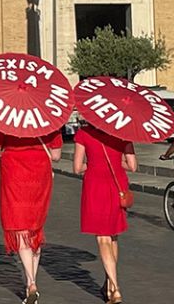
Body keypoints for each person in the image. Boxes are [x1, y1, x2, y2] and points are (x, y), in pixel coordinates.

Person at [0, 130, 62, 304]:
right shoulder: (48, 121)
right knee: (34, 227)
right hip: (40, 177)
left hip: (14, 176)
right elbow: (56, 155)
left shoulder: (5, 121)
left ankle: (32, 283)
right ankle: (30, 282)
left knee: (19, 226)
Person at [73, 125, 137, 304]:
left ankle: (115, 288)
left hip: (95, 185)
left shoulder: (84, 133)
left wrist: (92, 163)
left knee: (103, 238)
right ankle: (108, 284)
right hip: (118, 186)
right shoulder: (124, 132)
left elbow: (77, 168)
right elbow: (132, 165)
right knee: (113, 236)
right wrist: (117, 162)